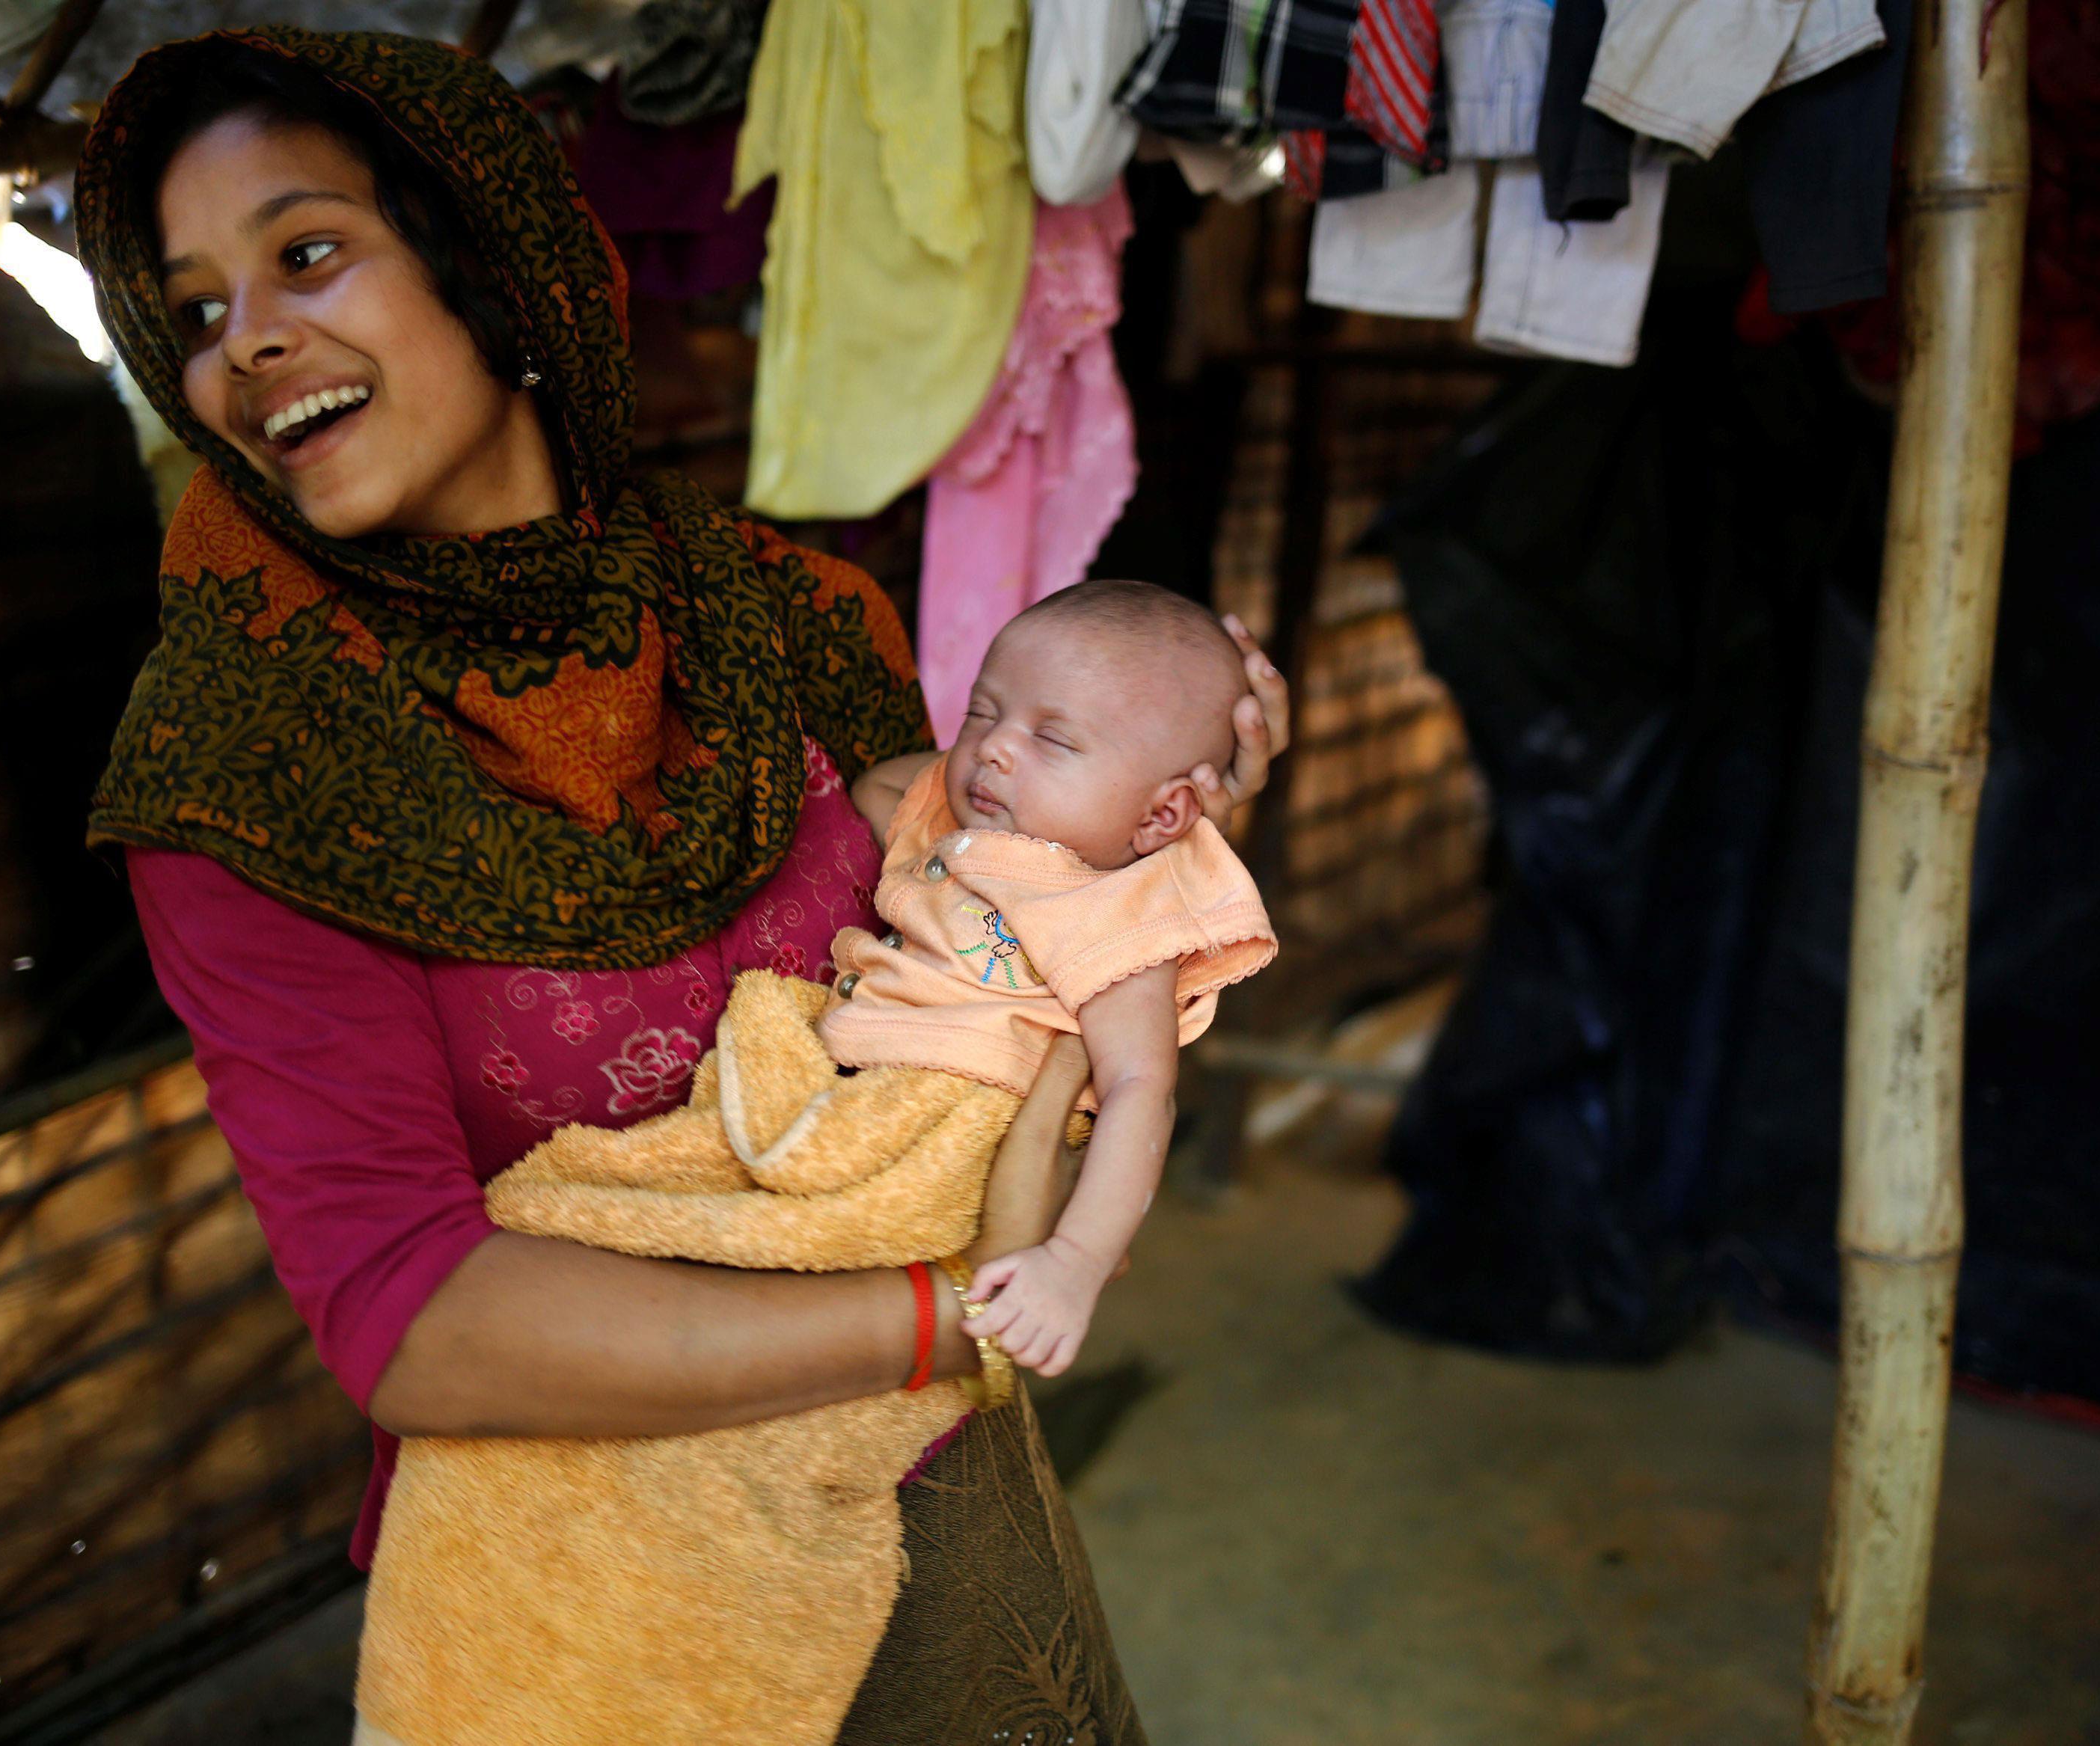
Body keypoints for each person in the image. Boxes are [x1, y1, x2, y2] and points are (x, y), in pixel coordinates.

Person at [68, 25, 1290, 1743]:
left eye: (307, 251)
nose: (246, 340)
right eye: (189, 312)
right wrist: (950, 1307)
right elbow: (409, 1315)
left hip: (934, 1503)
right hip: (599, 1587)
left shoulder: (779, 614)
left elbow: (1009, 949)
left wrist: (1170, 800)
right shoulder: (239, 777)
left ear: (492, 266)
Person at [836, 581, 1278, 1376]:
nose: (995, 747)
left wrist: (1074, 1260)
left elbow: (1141, 1088)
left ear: (1160, 817)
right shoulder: (965, 828)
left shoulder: (1119, 907)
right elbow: (874, 791)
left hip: (952, 1134)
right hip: (852, 1090)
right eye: (983, 711)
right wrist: (964, 776)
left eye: (1054, 740)